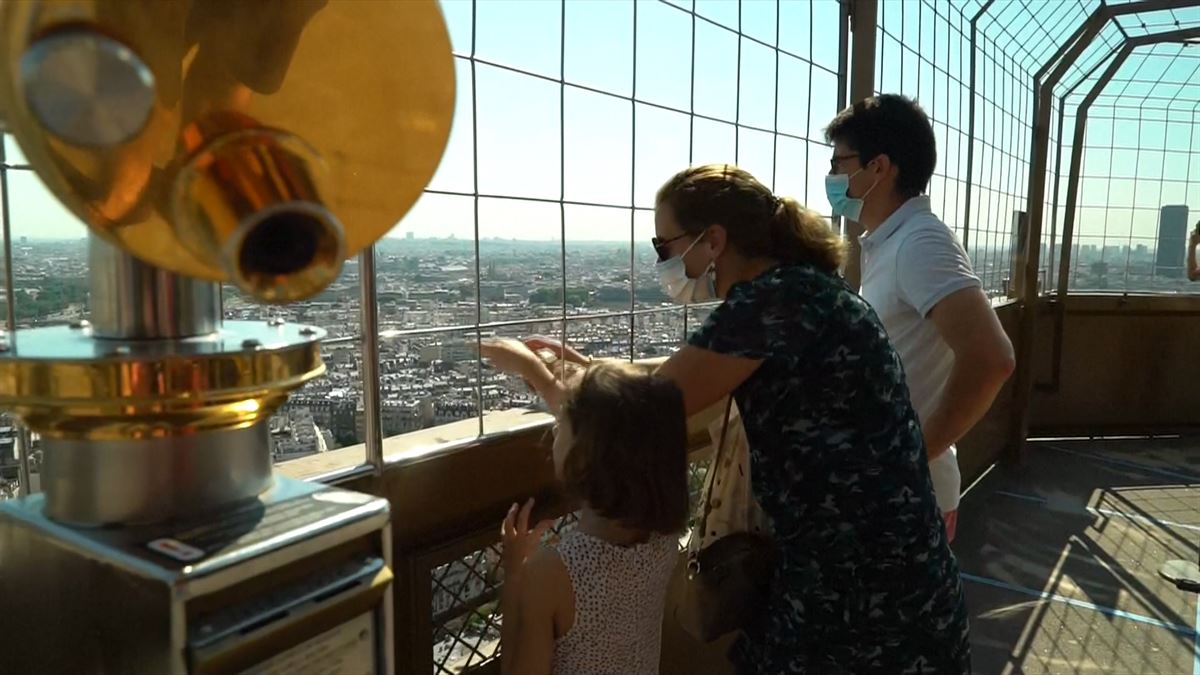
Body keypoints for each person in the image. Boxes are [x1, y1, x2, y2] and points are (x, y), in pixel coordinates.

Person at [507, 164, 970, 673]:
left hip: (855, 595)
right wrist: (593, 370)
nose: (662, 260)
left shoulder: (768, 304)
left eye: (665, 246)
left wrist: (539, 375)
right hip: (895, 575)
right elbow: (690, 371)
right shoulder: (810, 288)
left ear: (713, 241)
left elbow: (638, 413)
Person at [824, 95, 1015, 542]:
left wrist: (909, 456)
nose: (832, 176)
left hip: (908, 495)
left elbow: (992, 358)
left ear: (879, 167)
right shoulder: (896, 242)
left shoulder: (919, 244)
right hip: (896, 489)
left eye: (839, 163)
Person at [488, 359, 687, 675]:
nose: (554, 427)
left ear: (584, 456)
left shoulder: (552, 572)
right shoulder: (664, 540)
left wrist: (514, 574)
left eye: (563, 421)